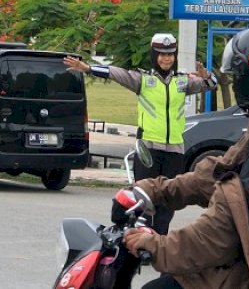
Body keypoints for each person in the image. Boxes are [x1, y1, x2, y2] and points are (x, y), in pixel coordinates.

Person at [121, 23, 249, 288]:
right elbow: (220, 172)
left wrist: (159, 246)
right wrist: (155, 189)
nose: (234, 84)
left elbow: (225, 225)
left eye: (236, 77)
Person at [64, 33, 218, 235]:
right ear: (154, 56)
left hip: (175, 150)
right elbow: (115, 73)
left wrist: (206, 76)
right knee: (144, 198)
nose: (166, 58)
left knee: (168, 200)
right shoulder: (143, 79)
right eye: (161, 54)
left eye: (170, 54)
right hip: (148, 150)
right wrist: (88, 68)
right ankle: (140, 240)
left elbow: (211, 84)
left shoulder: (182, 81)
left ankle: (159, 241)